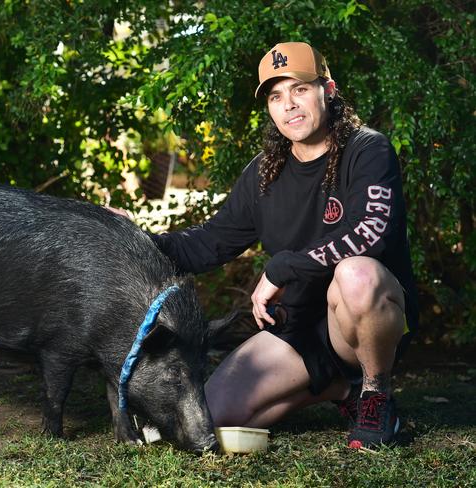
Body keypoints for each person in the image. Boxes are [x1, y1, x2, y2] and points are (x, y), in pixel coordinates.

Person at [139, 41, 419, 449]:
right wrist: (137, 241)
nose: (289, 104)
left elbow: (373, 231)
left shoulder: (367, 149)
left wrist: (283, 267)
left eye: (300, 89)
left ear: (329, 89)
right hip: (300, 327)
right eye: (276, 96)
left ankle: (376, 397)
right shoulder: (264, 173)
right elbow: (209, 243)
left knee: (356, 273)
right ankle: (340, 391)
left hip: (362, 318)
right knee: (213, 414)